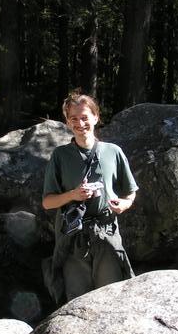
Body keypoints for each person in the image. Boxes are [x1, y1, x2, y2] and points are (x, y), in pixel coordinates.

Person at [42, 91, 138, 304]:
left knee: (110, 297)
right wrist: (73, 194)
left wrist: (124, 203)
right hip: (72, 238)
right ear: (67, 122)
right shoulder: (60, 156)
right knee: (77, 301)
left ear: (96, 117)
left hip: (106, 234)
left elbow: (131, 192)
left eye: (85, 117)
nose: (80, 123)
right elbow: (47, 202)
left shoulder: (113, 152)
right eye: (73, 118)